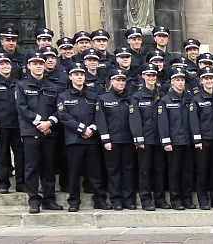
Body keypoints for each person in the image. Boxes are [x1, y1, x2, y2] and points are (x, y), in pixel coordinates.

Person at [16, 52, 64, 214]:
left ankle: (49, 199)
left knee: (49, 167)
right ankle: (34, 200)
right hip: (31, 132)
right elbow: (22, 108)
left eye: (40, 63)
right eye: (34, 63)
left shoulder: (53, 87)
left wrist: (49, 122)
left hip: (50, 132)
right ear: (28, 66)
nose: (38, 66)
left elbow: (60, 109)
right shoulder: (21, 86)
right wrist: (40, 122)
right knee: (32, 167)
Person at [57, 63, 107, 212]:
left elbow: (99, 114)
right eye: (76, 74)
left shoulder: (93, 95)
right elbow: (63, 117)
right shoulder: (63, 96)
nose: (79, 77)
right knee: (74, 172)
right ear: (70, 76)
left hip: (92, 139)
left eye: (82, 74)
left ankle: (99, 199)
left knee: (95, 172)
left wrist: (92, 127)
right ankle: (74, 201)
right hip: (74, 140)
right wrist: (82, 129)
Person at [95, 67, 136, 210]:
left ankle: (129, 199)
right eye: (118, 80)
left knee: (129, 170)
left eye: (123, 80)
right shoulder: (103, 98)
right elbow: (101, 121)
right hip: (112, 141)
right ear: (111, 81)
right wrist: (106, 140)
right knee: (114, 171)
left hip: (128, 140)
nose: (121, 83)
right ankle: (116, 199)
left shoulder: (130, 98)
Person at [0, 53, 24, 194]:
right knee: (2, 154)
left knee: (20, 154)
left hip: (17, 124)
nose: (5, 66)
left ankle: (21, 183)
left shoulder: (18, 82)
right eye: (2, 64)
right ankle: (3, 183)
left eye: (7, 64)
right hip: (1, 124)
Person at [158, 68, 197, 210]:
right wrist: (166, 141)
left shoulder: (189, 98)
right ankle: (175, 200)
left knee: (188, 172)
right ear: (172, 82)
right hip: (174, 142)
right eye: (177, 80)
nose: (180, 83)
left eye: (182, 80)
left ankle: (186, 198)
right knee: (174, 172)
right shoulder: (165, 100)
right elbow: (163, 123)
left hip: (188, 142)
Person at [130, 65, 167, 211]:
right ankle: (146, 200)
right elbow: (135, 119)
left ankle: (160, 199)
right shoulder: (137, 96)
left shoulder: (162, 95)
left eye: (154, 75)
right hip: (145, 139)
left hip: (159, 138)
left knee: (159, 169)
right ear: (143, 76)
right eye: (149, 75)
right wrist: (138, 138)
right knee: (144, 170)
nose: (152, 78)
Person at [189, 67, 213, 209]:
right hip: (203, 140)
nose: (209, 81)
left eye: (211, 78)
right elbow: (193, 121)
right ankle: (203, 200)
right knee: (203, 170)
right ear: (201, 81)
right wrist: (197, 140)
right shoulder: (196, 99)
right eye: (206, 79)